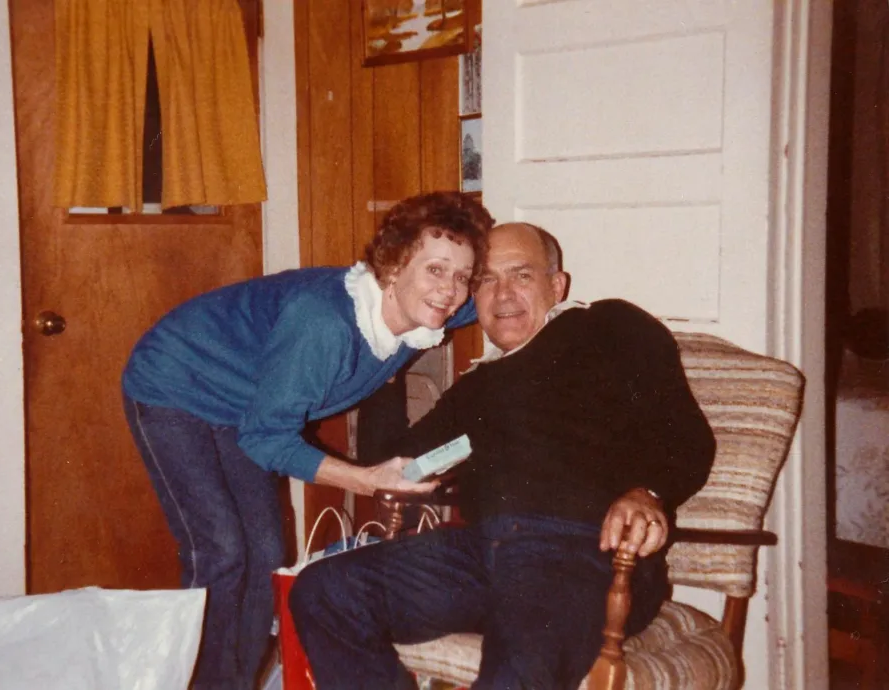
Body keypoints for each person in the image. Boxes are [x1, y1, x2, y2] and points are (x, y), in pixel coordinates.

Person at [289, 222, 717, 690]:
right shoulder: (477, 386)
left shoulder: (608, 327)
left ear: (557, 285)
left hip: (583, 555)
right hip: (480, 556)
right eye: (487, 280)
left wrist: (647, 492)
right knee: (325, 592)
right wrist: (388, 356)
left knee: (516, 670)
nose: (504, 293)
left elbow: (687, 436)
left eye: (521, 275)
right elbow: (399, 464)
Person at [120, 191, 493, 690]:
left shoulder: (427, 308)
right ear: (394, 266)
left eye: (462, 276)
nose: (449, 291)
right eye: (435, 270)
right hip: (175, 382)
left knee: (265, 549)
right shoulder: (326, 325)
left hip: (246, 402)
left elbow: (501, 297)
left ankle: (237, 683)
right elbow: (266, 437)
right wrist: (365, 479)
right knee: (221, 552)